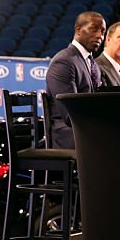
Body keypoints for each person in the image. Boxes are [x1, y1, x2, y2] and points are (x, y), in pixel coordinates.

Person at [46, 11, 106, 149]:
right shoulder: (64, 61)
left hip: (84, 128)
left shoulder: (93, 63)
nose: (99, 36)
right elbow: (69, 114)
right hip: (67, 133)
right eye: (93, 29)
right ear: (78, 30)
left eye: (102, 31)